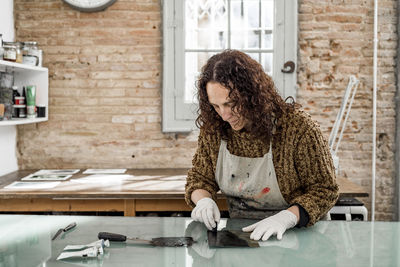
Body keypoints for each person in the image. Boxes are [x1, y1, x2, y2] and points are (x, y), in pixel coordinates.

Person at [185, 49, 339, 241]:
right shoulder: (215, 129)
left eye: (231, 104)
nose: (224, 115)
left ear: (252, 95)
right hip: (243, 237)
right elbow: (200, 179)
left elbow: (325, 190)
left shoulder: (298, 128)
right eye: (216, 106)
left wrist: (287, 218)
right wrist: (204, 201)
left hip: (298, 237)